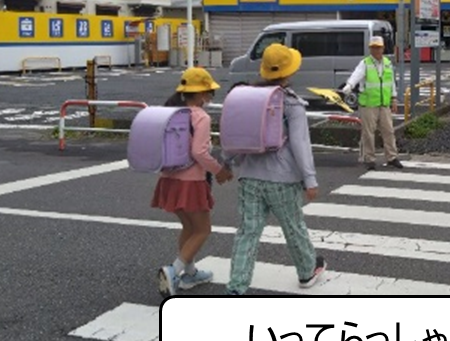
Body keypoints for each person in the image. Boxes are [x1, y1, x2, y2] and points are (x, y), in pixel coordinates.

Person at [225, 44, 327, 295]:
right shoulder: (291, 103)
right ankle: (307, 271)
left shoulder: (248, 98)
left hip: (249, 176)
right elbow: (300, 144)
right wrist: (310, 179)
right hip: (283, 179)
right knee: (293, 227)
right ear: (289, 72)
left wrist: (226, 161)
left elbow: (235, 131)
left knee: (247, 233)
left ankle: (236, 287)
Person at [152, 67, 233, 298]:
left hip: (169, 179)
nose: (210, 96)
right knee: (203, 229)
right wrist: (219, 170)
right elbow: (199, 152)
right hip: (191, 182)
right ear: (201, 93)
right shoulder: (200, 116)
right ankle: (173, 271)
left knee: (189, 228)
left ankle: (190, 273)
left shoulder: (172, 112)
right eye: (209, 92)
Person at [341, 36, 403, 171]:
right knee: (368, 133)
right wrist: (350, 85)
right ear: (370, 49)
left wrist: (393, 98)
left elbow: (391, 82)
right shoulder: (365, 63)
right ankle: (369, 159)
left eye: (378, 47)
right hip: (368, 104)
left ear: (383, 48)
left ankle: (392, 157)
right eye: (373, 47)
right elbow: (356, 75)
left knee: (389, 131)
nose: (376, 50)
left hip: (384, 103)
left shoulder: (387, 63)